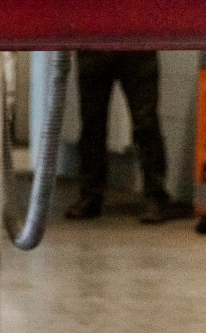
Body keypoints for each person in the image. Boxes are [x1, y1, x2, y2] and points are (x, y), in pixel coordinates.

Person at [66, 49, 175, 224]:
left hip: (135, 42)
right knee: (92, 125)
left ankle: (156, 197)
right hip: (95, 43)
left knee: (145, 124)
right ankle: (90, 194)